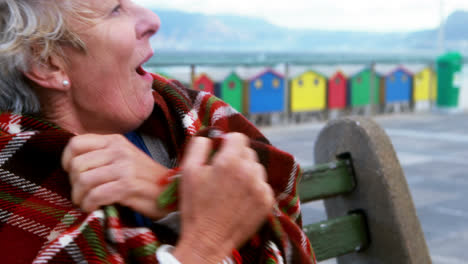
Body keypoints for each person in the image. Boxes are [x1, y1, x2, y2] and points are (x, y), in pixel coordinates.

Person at [0, 0, 315, 263]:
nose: (152, 20)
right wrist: (207, 241)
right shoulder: (20, 197)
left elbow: (292, 242)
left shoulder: (183, 116)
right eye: (115, 9)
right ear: (47, 63)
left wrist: (169, 194)